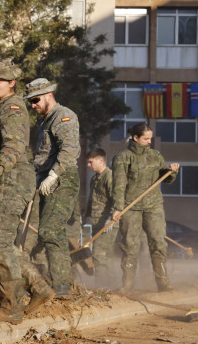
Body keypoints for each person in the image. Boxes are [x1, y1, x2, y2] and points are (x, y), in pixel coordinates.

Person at [0, 60, 55, 323]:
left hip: (10, 178)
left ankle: (11, 307)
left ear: (12, 82)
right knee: (5, 245)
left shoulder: (11, 107)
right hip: (7, 178)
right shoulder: (2, 108)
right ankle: (40, 289)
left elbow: (14, 146)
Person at [25, 78, 81, 297]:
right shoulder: (43, 121)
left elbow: (68, 151)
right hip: (44, 180)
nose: (33, 105)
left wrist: (53, 175)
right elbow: (40, 156)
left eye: (36, 100)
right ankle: (57, 281)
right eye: (30, 101)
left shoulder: (64, 116)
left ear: (49, 95)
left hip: (62, 179)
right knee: (41, 232)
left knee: (50, 230)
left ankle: (62, 286)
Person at [112, 123, 179, 292]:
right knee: (129, 246)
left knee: (158, 243)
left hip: (153, 206)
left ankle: (163, 282)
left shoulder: (156, 156)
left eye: (150, 138)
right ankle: (127, 284)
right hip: (130, 207)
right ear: (135, 138)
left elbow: (167, 179)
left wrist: (172, 171)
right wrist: (118, 208)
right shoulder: (123, 157)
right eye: (146, 138)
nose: (150, 141)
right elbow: (119, 185)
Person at [86, 148, 119, 286]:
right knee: (106, 256)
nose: (88, 165)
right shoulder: (94, 179)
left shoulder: (109, 176)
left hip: (108, 223)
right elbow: (92, 200)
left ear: (101, 160)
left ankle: (101, 288)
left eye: (90, 162)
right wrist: (87, 216)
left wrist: (112, 217)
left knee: (100, 255)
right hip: (97, 222)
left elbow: (117, 198)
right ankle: (110, 287)